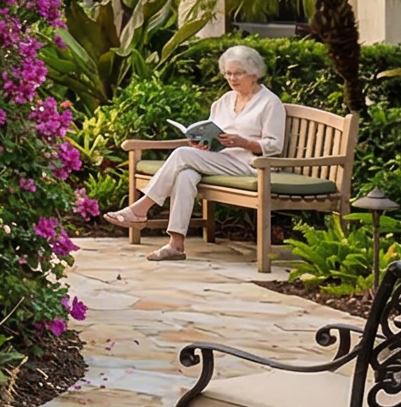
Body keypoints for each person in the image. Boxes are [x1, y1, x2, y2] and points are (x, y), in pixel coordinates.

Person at [107, 45, 286, 262]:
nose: (232, 78)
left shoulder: (269, 102)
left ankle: (141, 208)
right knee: (185, 175)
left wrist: (243, 142)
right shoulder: (224, 101)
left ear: (254, 73)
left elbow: (275, 145)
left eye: (238, 73)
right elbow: (212, 133)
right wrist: (202, 144)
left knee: (182, 154)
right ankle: (176, 245)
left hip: (250, 164)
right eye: (228, 73)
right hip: (220, 159)